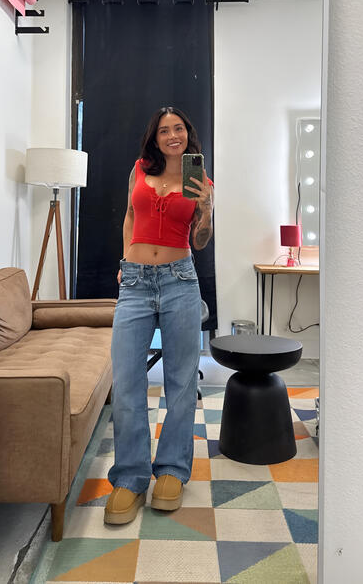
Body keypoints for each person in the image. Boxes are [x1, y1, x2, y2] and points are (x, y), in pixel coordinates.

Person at [104, 106, 214, 525]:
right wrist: (125, 259)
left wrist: (207, 209)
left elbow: (200, 241)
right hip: (134, 282)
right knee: (127, 382)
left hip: (179, 281)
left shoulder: (199, 180)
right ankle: (130, 477)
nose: (172, 135)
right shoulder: (139, 170)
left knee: (182, 382)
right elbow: (131, 216)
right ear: (155, 137)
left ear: (188, 134)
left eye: (178, 128)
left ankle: (171, 470)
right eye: (164, 130)